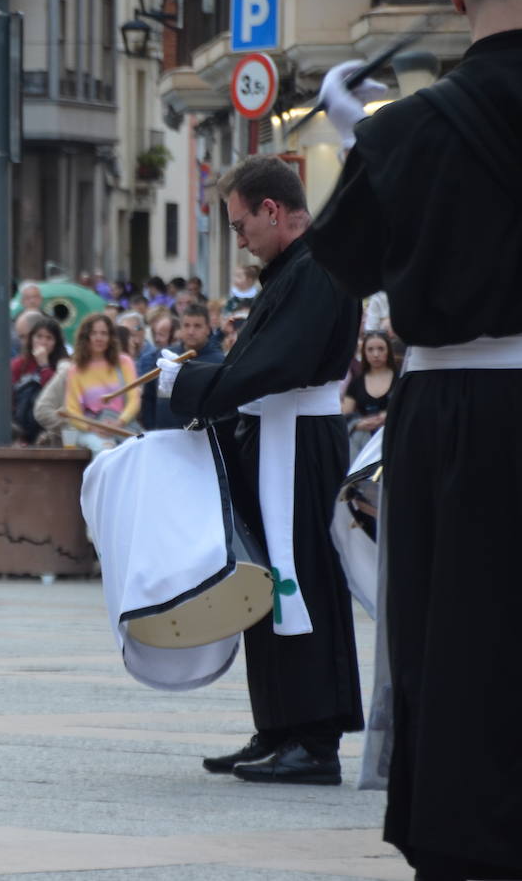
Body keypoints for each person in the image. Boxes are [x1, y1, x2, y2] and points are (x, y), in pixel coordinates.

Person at [305, 0, 522, 875]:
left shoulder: (404, 129)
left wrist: (361, 139)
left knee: (456, 629)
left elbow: (348, 259)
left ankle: (464, 839)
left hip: (456, 412)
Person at [159, 154, 361, 787]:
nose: (238, 238)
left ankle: (315, 740)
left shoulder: (320, 266)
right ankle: (278, 726)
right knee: (268, 581)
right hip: (276, 436)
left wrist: (188, 383)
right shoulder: (288, 270)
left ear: (273, 211)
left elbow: (279, 363)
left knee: (303, 579)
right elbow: (259, 358)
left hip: (300, 440)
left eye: (240, 224)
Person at [139, 303, 225, 431]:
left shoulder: (219, 362)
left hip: (199, 439)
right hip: (162, 435)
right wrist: (152, 429)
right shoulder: (163, 356)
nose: (191, 331)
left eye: (197, 326)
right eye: (186, 325)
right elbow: (149, 397)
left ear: (208, 328)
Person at [62, 313, 138, 453]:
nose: (99, 338)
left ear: (110, 337)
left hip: (122, 426)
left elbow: (134, 399)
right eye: (94, 333)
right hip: (90, 429)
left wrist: (119, 423)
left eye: (104, 333)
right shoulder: (76, 370)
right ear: (86, 337)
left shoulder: (124, 362)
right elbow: (72, 410)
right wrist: (93, 427)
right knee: (105, 449)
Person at [342, 331, 396, 458]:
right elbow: (345, 414)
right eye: (370, 349)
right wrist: (357, 424)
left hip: (391, 437)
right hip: (363, 440)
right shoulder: (356, 383)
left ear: (388, 351)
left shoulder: (399, 380)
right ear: (364, 353)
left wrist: (389, 416)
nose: (376, 354)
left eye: (381, 349)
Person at [11, 317, 66, 444]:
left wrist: (44, 366)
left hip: (49, 425)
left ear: (56, 342)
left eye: (49, 338)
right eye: (39, 336)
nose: (43, 342)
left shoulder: (63, 365)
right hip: (22, 422)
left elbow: (56, 394)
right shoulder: (18, 365)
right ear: (32, 339)